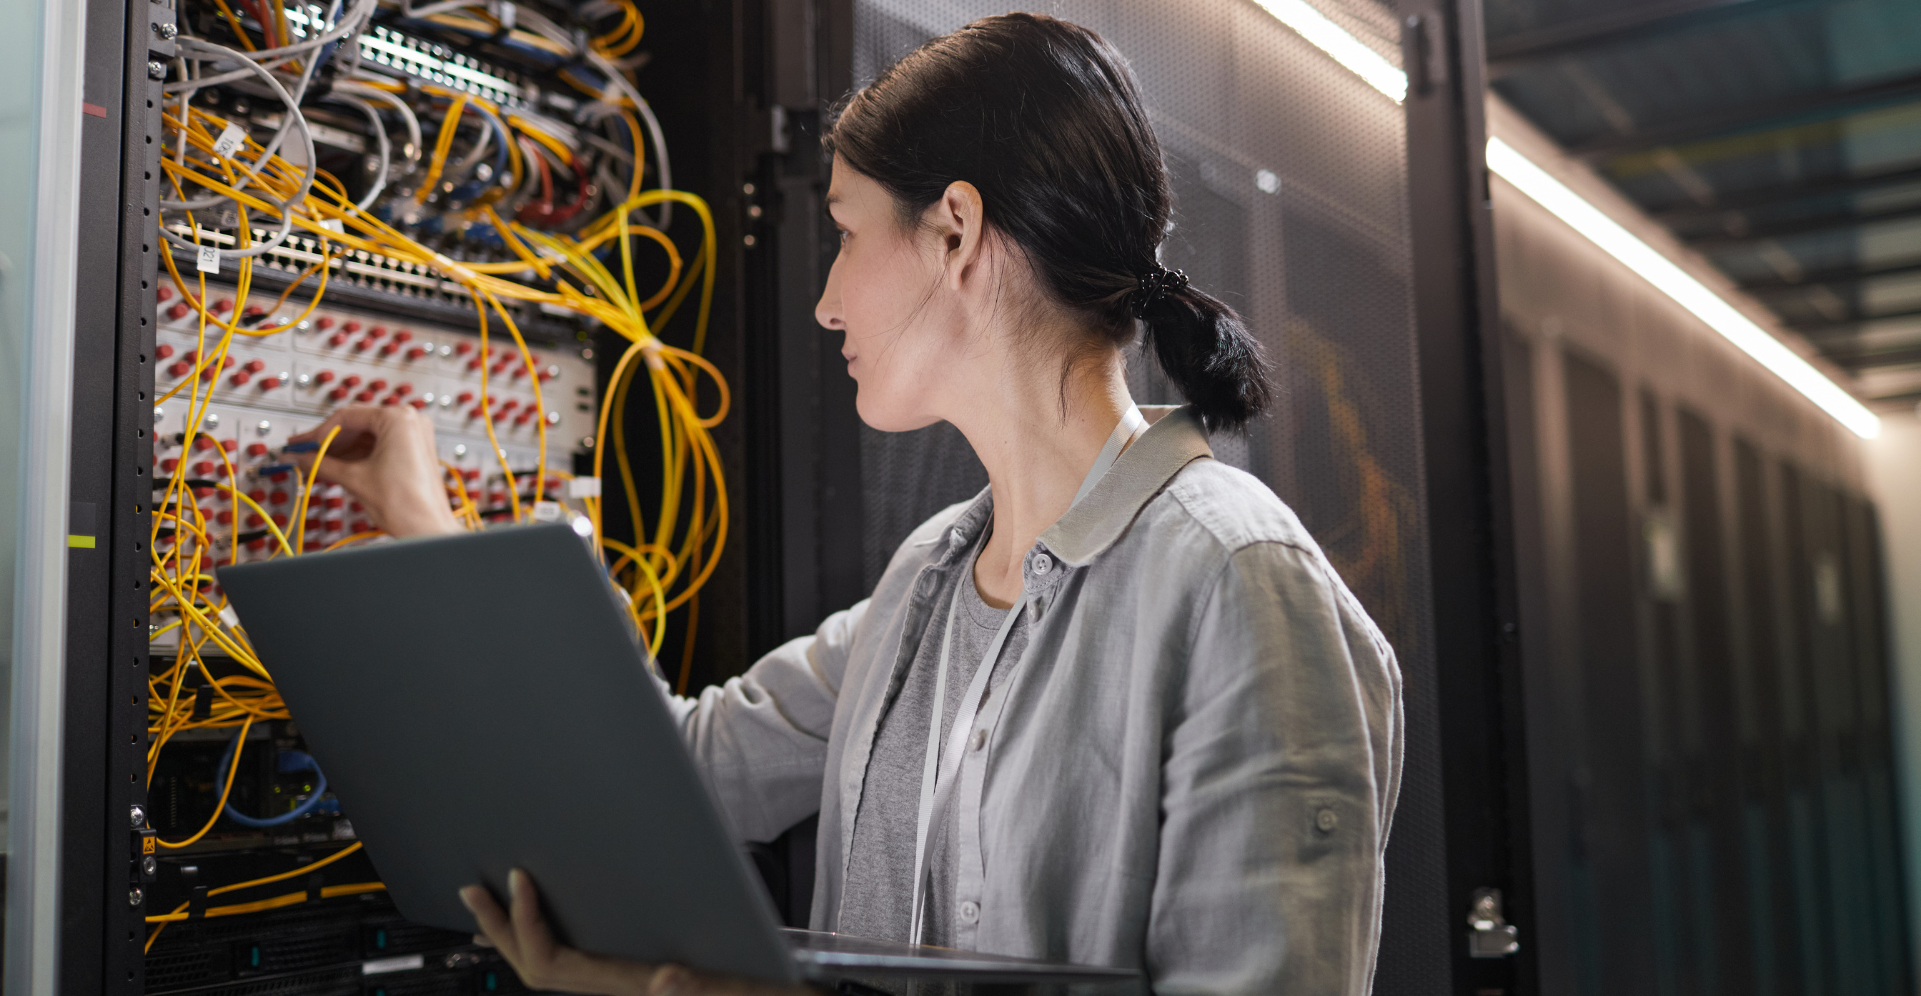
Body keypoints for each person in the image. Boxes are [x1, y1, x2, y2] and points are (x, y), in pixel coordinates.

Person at [291, 13, 1402, 995]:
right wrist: (431, 534)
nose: (824, 301)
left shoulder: (1238, 584)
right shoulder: (930, 577)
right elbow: (685, 773)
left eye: (844, 230)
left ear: (955, 232)